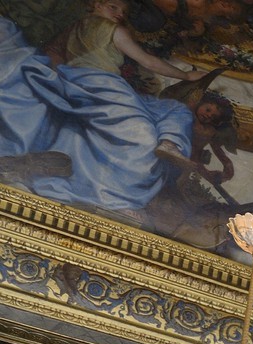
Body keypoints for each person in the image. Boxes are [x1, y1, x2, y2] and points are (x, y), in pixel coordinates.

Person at [0, 0, 205, 212]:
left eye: (123, 12)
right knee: (154, 126)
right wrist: (186, 75)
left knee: (167, 111)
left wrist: (58, 85)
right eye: (113, 7)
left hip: (73, 83)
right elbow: (149, 62)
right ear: (96, 5)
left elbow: (52, 57)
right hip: (105, 85)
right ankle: (168, 144)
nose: (119, 15)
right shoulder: (112, 29)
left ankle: (167, 144)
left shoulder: (72, 29)